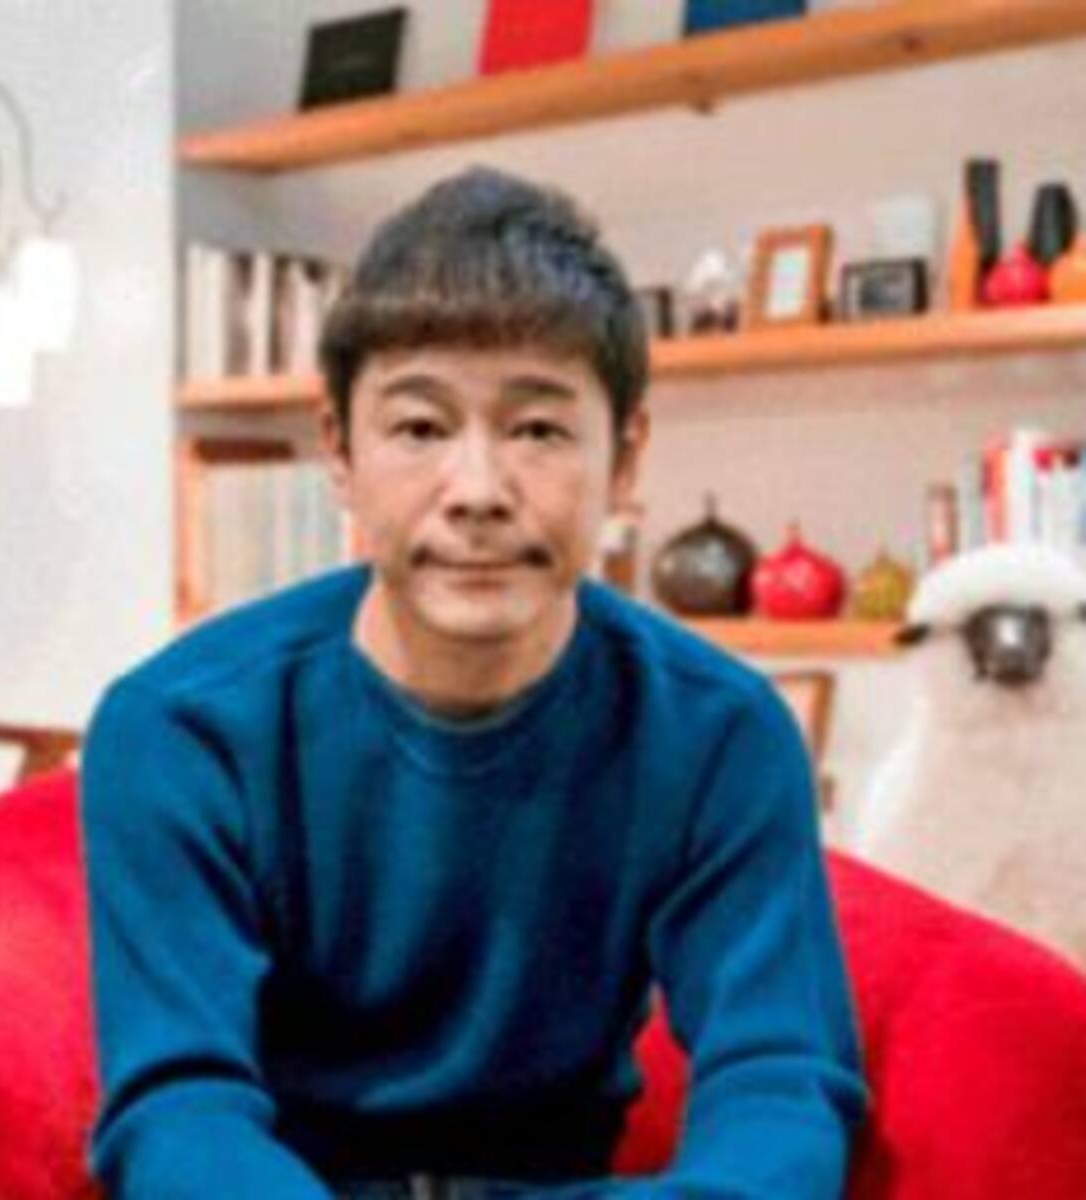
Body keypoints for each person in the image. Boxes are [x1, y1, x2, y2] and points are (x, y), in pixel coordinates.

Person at [81, 166, 868, 1199]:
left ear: (624, 457)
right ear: (339, 450)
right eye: (419, 428)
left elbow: (781, 1084)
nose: (480, 493)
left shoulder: (720, 733)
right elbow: (177, 1109)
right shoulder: (181, 729)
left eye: (538, 430)